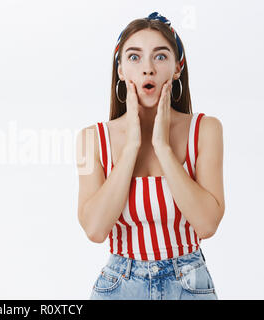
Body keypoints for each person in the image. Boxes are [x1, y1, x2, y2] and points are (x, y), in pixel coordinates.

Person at [75, 12, 225, 300]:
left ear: (177, 68)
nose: (148, 69)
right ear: (119, 70)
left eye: (160, 56)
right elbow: (95, 230)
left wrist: (162, 146)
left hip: (190, 283)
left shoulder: (206, 130)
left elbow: (207, 224)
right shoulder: (89, 139)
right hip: (119, 285)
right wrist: (132, 145)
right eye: (134, 57)